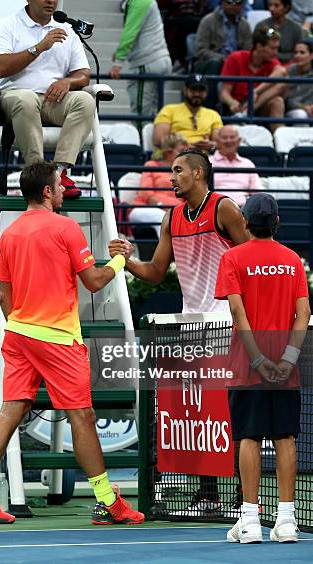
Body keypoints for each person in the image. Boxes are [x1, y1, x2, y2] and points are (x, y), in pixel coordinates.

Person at [0, 161, 145, 526]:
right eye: (60, 185)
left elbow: (3, 296)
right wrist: (121, 260)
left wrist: (23, 325)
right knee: (83, 416)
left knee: (10, 411)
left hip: (18, 333)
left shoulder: (10, 234)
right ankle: (108, 501)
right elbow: (93, 281)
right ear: (46, 191)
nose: (64, 190)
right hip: (57, 338)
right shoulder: (66, 227)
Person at [109, 148, 250, 513]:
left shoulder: (224, 209)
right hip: (190, 327)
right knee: (200, 412)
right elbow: (156, 273)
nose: (171, 178)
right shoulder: (171, 218)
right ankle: (208, 493)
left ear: (199, 173)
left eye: (177, 171)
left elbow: (252, 257)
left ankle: (243, 494)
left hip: (225, 325)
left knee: (230, 412)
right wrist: (126, 259)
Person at [215, 193, 311, 543]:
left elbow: (238, 313)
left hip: (247, 365)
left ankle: (250, 521)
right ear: (277, 223)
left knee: (250, 437)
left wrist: (257, 359)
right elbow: (304, 314)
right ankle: (286, 521)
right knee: (285, 437)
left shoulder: (232, 258)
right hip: (286, 367)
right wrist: (287, 358)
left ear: (244, 223)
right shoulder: (292, 260)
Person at [0, 0, 96, 199]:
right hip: (14, 97)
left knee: (85, 100)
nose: (51, 0)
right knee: (25, 99)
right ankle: (38, 174)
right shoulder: (7, 25)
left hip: (52, 100)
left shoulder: (66, 28)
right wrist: (39, 47)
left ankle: (60, 172)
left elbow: (84, 74)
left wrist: (68, 81)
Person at [109, 0, 172, 120]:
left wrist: (118, 63)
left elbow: (130, 32)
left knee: (141, 113)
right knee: (157, 115)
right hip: (158, 59)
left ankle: (143, 145)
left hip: (147, 62)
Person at [220, 26, 287, 133]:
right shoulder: (236, 58)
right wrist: (231, 102)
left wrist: (255, 91)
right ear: (259, 46)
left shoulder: (272, 61)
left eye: (277, 48)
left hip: (258, 104)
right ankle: (243, 113)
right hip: (237, 106)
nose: (276, 53)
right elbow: (224, 92)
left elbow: (282, 72)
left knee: (278, 97)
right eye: (273, 48)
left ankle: (282, 144)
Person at [194, 0, 251, 106]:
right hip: (212, 63)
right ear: (222, 3)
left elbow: (248, 51)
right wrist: (222, 58)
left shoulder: (245, 25)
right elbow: (200, 50)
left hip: (236, 64)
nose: (233, 5)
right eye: (230, 1)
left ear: (242, 6)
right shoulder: (208, 21)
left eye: (237, 3)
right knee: (215, 64)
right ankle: (209, 107)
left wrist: (234, 61)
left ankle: (241, 107)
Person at [129, 133, 188, 237]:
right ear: (168, 151)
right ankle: (166, 253)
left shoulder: (185, 171)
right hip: (144, 208)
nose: (185, 156)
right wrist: (162, 206)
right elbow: (145, 193)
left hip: (175, 211)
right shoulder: (151, 165)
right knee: (163, 217)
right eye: (181, 152)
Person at [153, 74, 223, 149]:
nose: (197, 94)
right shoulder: (169, 110)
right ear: (185, 90)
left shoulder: (213, 115)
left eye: (201, 90)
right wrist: (184, 146)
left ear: (206, 92)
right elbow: (158, 140)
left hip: (204, 157)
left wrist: (211, 145)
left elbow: (220, 143)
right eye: (193, 90)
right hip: (175, 156)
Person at [210, 125, 262, 207]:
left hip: (243, 212)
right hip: (215, 210)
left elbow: (257, 193)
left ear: (239, 141)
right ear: (217, 141)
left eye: (232, 137)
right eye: (225, 137)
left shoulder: (248, 164)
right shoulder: (207, 162)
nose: (229, 141)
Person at [255, 0, 305, 64]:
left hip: (289, 66)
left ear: (286, 7)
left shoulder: (296, 29)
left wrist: (277, 56)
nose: (272, 9)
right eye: (270, 5)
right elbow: (255, 50)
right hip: (264, 65)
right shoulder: (261, 25)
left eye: (276, 5)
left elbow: (298, 53)